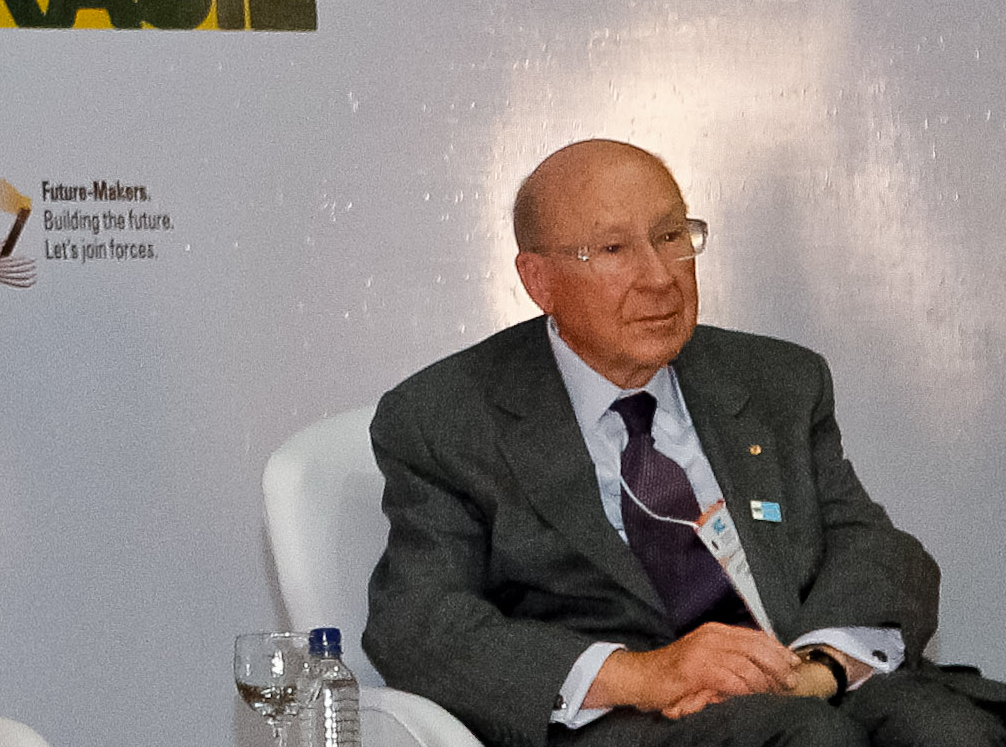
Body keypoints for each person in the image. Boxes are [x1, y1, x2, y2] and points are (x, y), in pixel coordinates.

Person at [365, 138, 1006, 747]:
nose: (659, 278)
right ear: (539, 281)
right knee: (809, 740)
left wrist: (818, 668)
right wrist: (645, 674)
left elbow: (871, 546)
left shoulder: (776, 379)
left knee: (946, 729)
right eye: (614, 249)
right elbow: (420, 626)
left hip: (797, 673)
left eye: (671, 237)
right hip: (637, 720)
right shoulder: (444, 418)